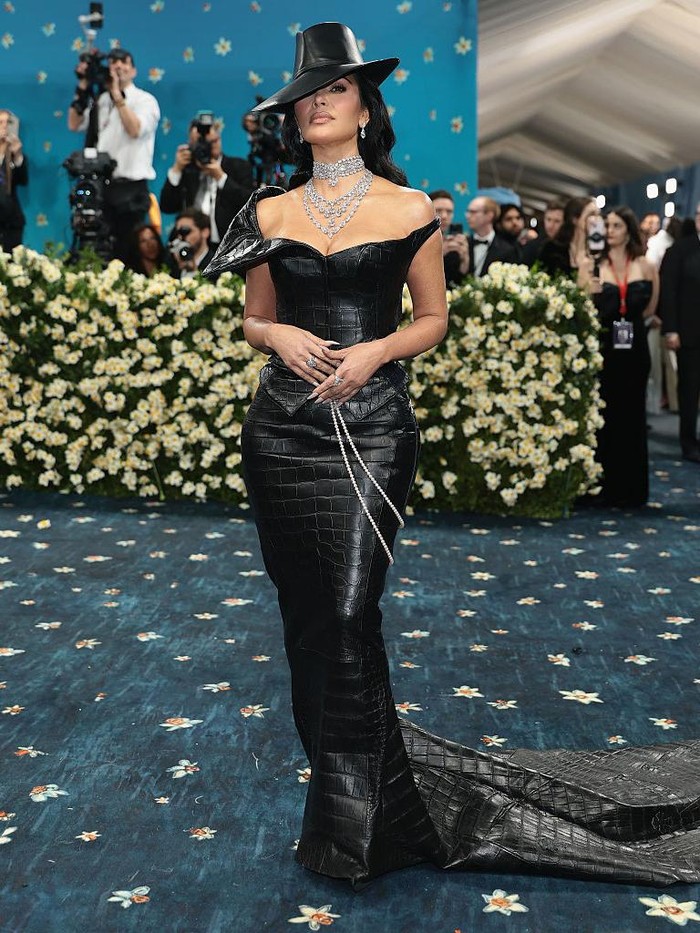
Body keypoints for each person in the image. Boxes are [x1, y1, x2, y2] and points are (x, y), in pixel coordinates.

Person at [204, 22, 700, 889]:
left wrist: (375, 350)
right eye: (305, 96)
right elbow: (252, 317)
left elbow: (432, 318)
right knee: (308, 622)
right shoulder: (270, 211)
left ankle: (364, 820)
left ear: (365, 107)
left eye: (335, 90)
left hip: (375, 429)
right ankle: (346, 804)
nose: (318, 103)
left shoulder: (408, 208)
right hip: (281, 429)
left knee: (353, 611)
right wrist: (279, 331)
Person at [579, 206, 658, 506]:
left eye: (615, 225)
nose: (609, 230)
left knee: (633, 416)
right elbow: (582, 309)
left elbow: (651, 308)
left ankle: (632, 489)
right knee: (604, 416)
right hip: (604, 349)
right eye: (606, 225)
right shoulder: (592, 264)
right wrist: (589, 290)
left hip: (635, 348)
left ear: (628, 229)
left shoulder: (645, 265)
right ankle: (602, 486)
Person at [68, 48, 160, 259]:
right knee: (98, 249)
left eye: (123, 62)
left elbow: (135, 129)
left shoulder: (145, 100)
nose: (118, 66)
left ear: (134, 70)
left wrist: (117, 95)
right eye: (113, 62)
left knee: (128, 253)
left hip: (131, 190)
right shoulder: (101, 101)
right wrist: (83, 83)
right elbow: (74, 123)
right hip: (102, 187)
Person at [159, 117, 254, 249]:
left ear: (219, 140)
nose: (207, 147)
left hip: (229, 246)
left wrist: (221, 177)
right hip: (193, 246)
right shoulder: (187, 170)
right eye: (200, 143)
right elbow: (167, 206)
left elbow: (249, 204)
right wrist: (176, 169)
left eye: (212, 142)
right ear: (190, 144)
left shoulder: (239, 166)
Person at [660, 203, 700, 463]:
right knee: (689, 390)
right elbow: (668, 292)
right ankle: (689, 442)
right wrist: (671, 329)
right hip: (689, 333)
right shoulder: (680, 250)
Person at [538, 195, 597, 278]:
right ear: (575, 219)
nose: (596, 220)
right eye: (591, 215)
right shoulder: (552, 248)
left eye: (598, 215)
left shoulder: (598, 249)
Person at [465, 195, 517, 276]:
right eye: (468, 212)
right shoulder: (463, 245)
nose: (467, 216)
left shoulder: (507, 250)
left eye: (473, 212)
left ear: (489, 215)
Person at [428, 188, 469, 286]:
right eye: (438, 210)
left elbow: (460, 281)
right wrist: (438, 254)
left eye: (449, 211)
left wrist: (465, 260)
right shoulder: (414, 242)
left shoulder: (456, 244)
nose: (444, 216)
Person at [0, 108, 27, 252]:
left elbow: (23, 180)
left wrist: (17, 155)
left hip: (11, 222)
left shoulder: (15, 155)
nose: (4, 126)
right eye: (0, 122)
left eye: (8, 122)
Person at [169, 208, 215, 278]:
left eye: (186, 231)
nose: (181, 237)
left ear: (205, 232)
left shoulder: (217, 265)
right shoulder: (173, 263)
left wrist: (193, 270)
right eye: (178, 232)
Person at [520, 198, 565, 266]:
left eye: (557, 221)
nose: (551, 225)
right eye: (548, 219)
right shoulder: (532, 246)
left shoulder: (569, 248)